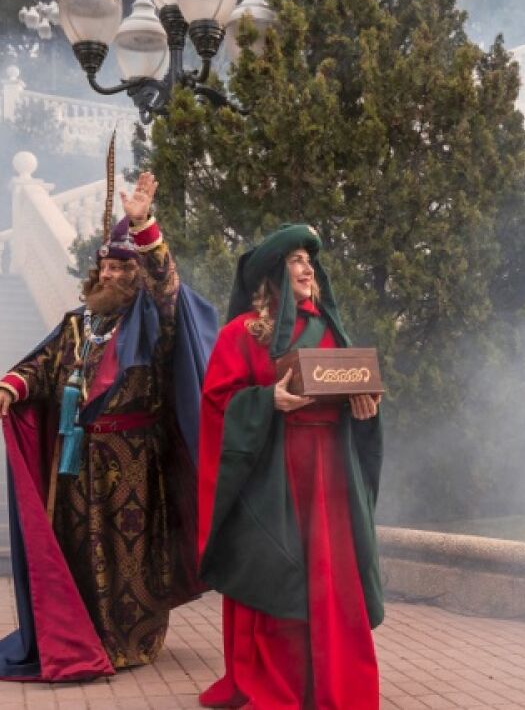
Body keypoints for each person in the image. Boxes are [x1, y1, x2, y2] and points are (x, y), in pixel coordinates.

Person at [0, 172, 218, 681]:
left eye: (122, 267)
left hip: (135, 461)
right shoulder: (78, 323)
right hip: (77, 461)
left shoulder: (154, 321)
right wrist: (12, 386)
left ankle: (132, 640)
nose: (110, 274)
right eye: (105, 265)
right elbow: (43, 365)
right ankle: (85, 634)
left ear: (137, 274)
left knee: (131, 555)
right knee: (80, 550)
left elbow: (167, 285)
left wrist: (143, 225)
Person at [197, 224, 385, 710]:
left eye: (309, 260)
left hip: (329, 476)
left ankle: (333, 683)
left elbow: (352, 387)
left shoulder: (332, 329)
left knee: (331, 580)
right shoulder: (242, 332)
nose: (307, 268)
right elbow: (217, 402)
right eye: (296, 260)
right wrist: (267, 401)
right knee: (275, 570)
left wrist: (366, 409)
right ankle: (276, 683)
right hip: (272, 476)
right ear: (273, 273)